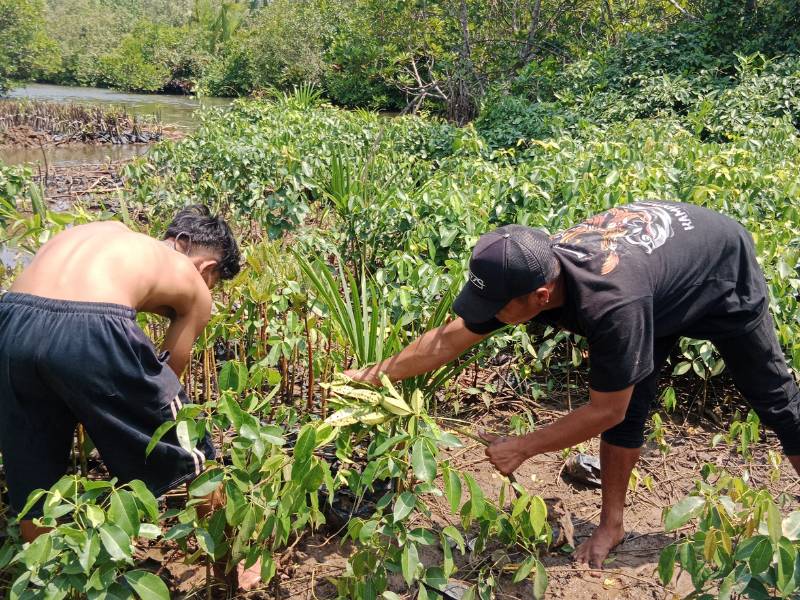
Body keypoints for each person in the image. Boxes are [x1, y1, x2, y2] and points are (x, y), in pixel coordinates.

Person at [344, 200, 800, 568]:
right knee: (634, 397)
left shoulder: (611, 305)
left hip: (719, 266)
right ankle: (612, 525)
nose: (490, 314)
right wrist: (375, 373)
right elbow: (451, 337)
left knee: (776, 399)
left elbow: (606, 411)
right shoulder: (529, 265)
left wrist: (522, 446)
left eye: (497, 306)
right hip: (655, 277)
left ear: (541, 297)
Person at [0, 205, 260, 589]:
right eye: (215, 282)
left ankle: (46, 582)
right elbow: (168, 383)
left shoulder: (109, 230)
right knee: (191, 448)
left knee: (34, 473)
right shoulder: (194, 282)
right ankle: (233, 568)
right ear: (206, 268)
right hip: (93, 324)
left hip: (11, 319)